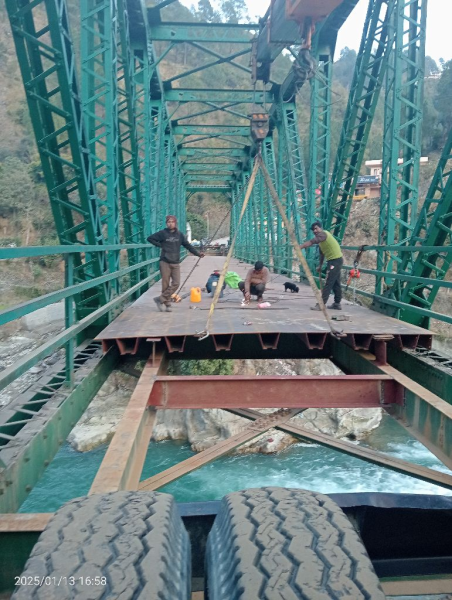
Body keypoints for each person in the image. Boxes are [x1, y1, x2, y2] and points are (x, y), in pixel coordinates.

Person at [147, 215, 204, 312]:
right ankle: (167, 304)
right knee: (165, 283)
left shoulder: (180, 235)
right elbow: (150, 238)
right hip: (165, 261)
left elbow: (188, 246)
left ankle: (160, 299)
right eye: (168, 222)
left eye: (172, 222)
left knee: (176, 283)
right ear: (166, 223)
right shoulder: (162, 233)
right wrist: (160, 245)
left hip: (175, 262)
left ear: (175, 223)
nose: (170, 224)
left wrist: (198, 254)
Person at [299, 221, 343, 310]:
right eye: (313, 230)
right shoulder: (321, 240)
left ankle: (321, 305)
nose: (314, 231)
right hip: (334, 261)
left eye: (316, 228)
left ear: (320, 228)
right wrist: (320, 265)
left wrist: (300, 247)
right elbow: (322, 254)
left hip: (335, 261)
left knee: (328, 282)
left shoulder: (323, 234)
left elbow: (312, 242)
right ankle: (337, 303)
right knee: (336, 283)